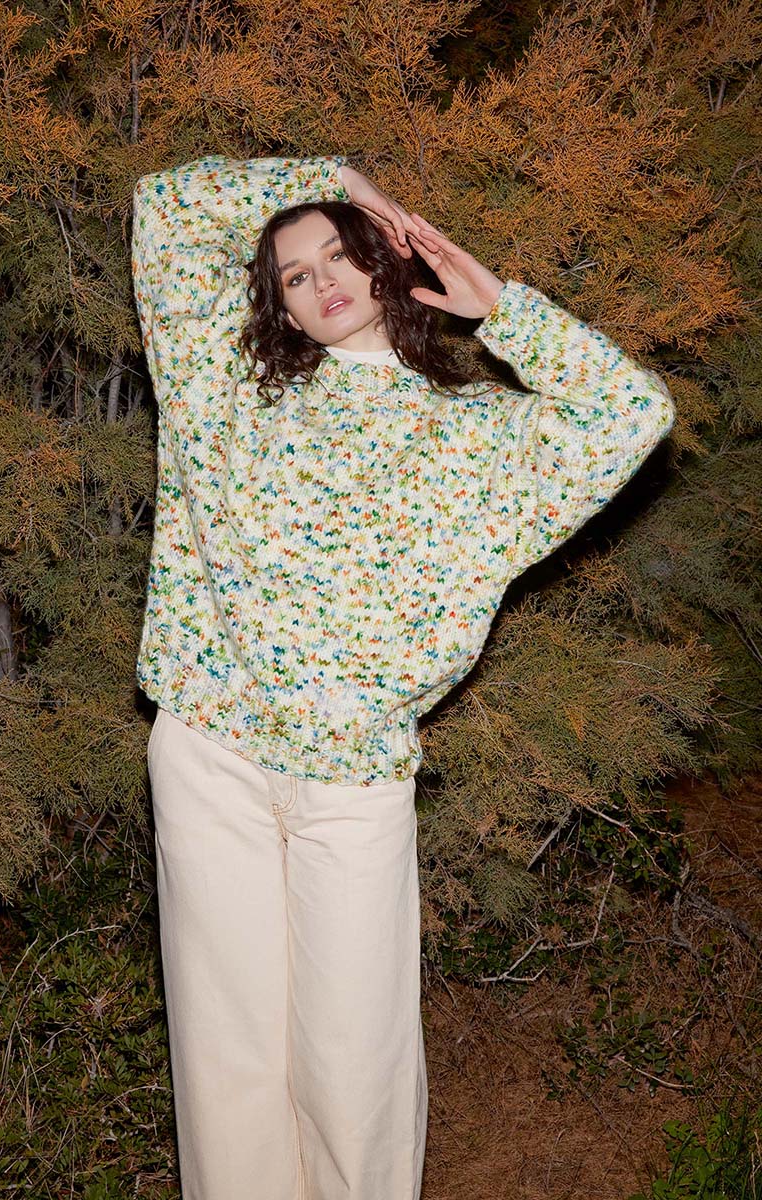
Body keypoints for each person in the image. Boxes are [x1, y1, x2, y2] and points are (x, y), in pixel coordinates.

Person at [131, 154, 675, 1200]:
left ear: (386, 264)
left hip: (353, 782)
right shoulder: (224, 388)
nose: (321, 279)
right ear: (279, 307)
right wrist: (333, 177)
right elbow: (163, 209)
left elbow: (631, 412)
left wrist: (501, 309)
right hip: (209, 755)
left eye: (340, 252)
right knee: (225, 1057)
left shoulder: (480, 438)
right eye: (294, 274)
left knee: (355, 1066)